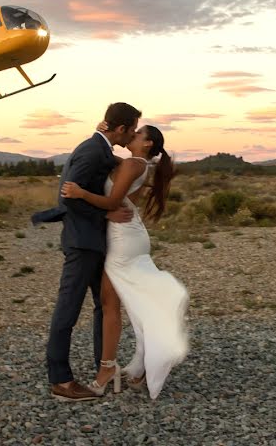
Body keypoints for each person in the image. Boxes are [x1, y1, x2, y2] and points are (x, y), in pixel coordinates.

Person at [61, 124, 188, 400]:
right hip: (128, 235)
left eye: (138, 133)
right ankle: (135, 365)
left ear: (148, 143)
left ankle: (108, 370)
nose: (132, 135)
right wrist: (100, 131)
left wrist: (81, 195)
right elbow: (109, 158)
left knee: (110, 306)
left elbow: (112, 201)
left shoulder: (133, 163)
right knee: (125, 304)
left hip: (123, 241)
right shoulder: (136, 163)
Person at [38, 102, 141, 402]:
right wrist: (104, 216)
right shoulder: (92, 150)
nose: (133, 133)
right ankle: (60, 381)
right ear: (121, 128)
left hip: (95, 242)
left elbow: (115, 169)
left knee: (103, 306)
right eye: (132, 128)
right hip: (82, 243)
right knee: (67, 310)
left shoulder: (100, 149)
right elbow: (68, 197)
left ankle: (103, 369)